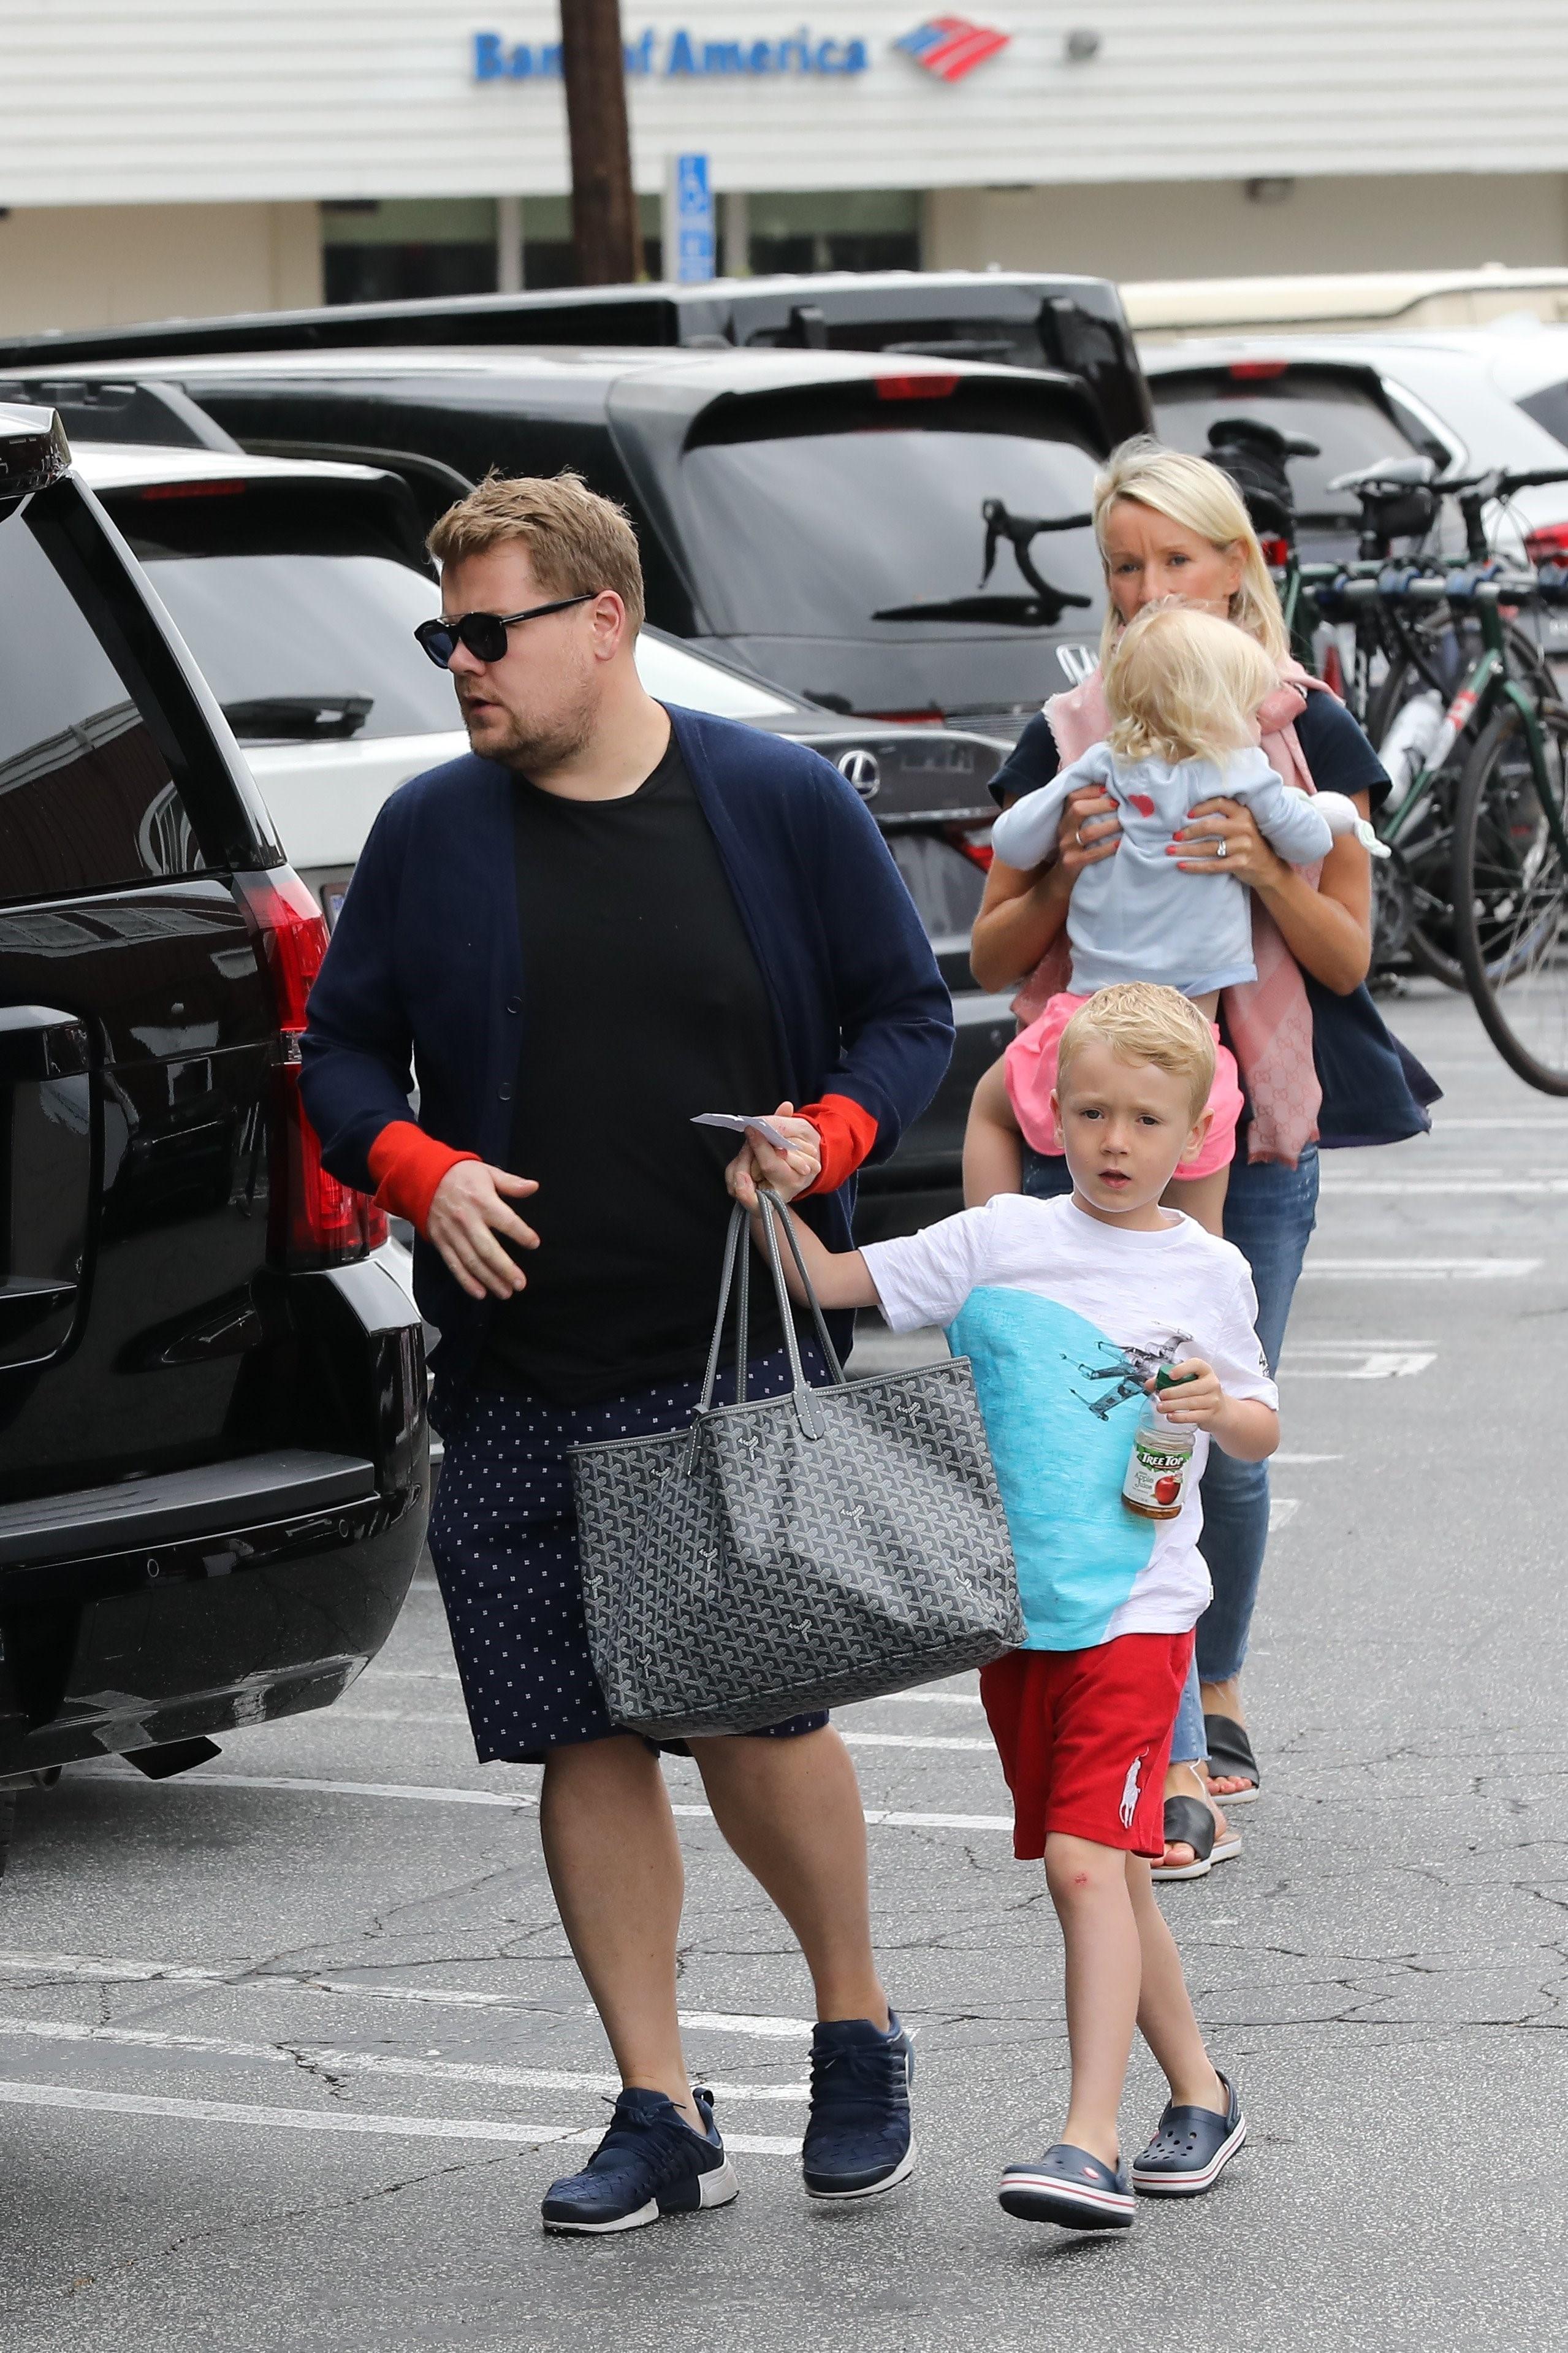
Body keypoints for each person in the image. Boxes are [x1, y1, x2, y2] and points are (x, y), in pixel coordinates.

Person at [300, 470, 954, 2233]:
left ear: (603, 618)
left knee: (751, 1711)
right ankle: (655, 2099)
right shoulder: (433, 830)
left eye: (489, 630)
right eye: (444, 635)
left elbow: (904, 1012)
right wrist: (416, 1169)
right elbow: (340, 1054)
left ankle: (852, 2021)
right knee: (581, 1736)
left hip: (716, 1335)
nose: (461, 665)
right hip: (518, 1363)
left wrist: (822, 1129)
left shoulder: (772, 801)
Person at [731, 985, 1276, 2230]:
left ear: (1194, 1132)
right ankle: (1201, 2089)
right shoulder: (996, 1238)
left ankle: (1087, 2140)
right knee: (1112, 1876)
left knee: (1089, 1865)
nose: (1115, 1140)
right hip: (1012, 1618)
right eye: (1090, 1111)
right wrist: (770, 1180)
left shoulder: (1204, 1266)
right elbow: (823, 1280)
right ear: (1051, 1114)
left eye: (1146, 1118)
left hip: (1140, 1614)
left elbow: (1261, 1419)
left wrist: (1213, 1411)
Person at [969, 436, 1433, 1879]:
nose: (1150, 587)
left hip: (1257, 1130)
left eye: (1178, 559)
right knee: (1135, 1422)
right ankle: (1164, 1752)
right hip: (1091, 1126)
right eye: (1123, 565)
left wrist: (1257, 872)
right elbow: (997, 952)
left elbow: (1350, 957)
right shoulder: (1070, 734)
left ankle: (1207, 1688)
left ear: (1240, 570)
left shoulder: (1299, 738)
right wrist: (1054, 870)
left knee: (1219, 1427)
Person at [965, 601, 1345, 1236]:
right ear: (1217, 707)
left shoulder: (1099, 765)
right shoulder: (1238, 773)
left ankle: (988, 1256)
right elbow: (1308, 842)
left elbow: (1009, 840)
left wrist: (1060, 834)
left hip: (1084, 1031)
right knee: (1198, 1235)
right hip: (1187, 1048)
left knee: (989, 1108)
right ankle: (1196, 1321)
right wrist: (1323, 813)